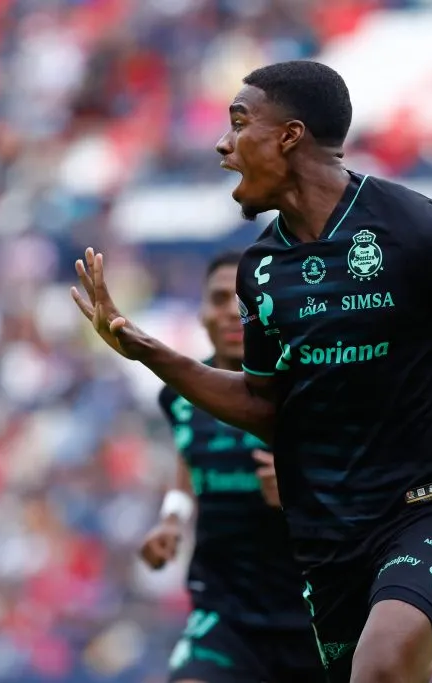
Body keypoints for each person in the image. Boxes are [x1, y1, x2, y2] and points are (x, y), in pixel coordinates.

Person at [70, 60, 432, 683]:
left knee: (380, 669)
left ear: (288, 136)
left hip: (425, 511)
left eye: (239, 123)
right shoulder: (261, 270)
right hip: (326, 536)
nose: (222, 144)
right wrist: (148, 351)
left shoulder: (420, 231)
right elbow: (266, 407)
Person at [139, 252, 323, 683]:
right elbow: (189, 457)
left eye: (246, 300)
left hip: (316, 615)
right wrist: (172, 519)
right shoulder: (179, 394)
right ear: (201, 313)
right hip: (226, 615)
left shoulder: (308, 385)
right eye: (219, 299)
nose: (231, 312)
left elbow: (362, 483)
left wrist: (299, 492)